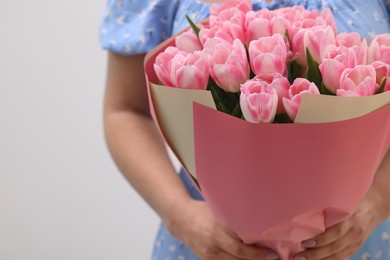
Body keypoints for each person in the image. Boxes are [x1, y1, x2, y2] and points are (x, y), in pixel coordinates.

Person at [99, 0, 390, 259]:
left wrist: (376, 203)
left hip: (358, 242)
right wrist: (181, 216)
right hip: (207, 245)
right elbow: (126, 110)